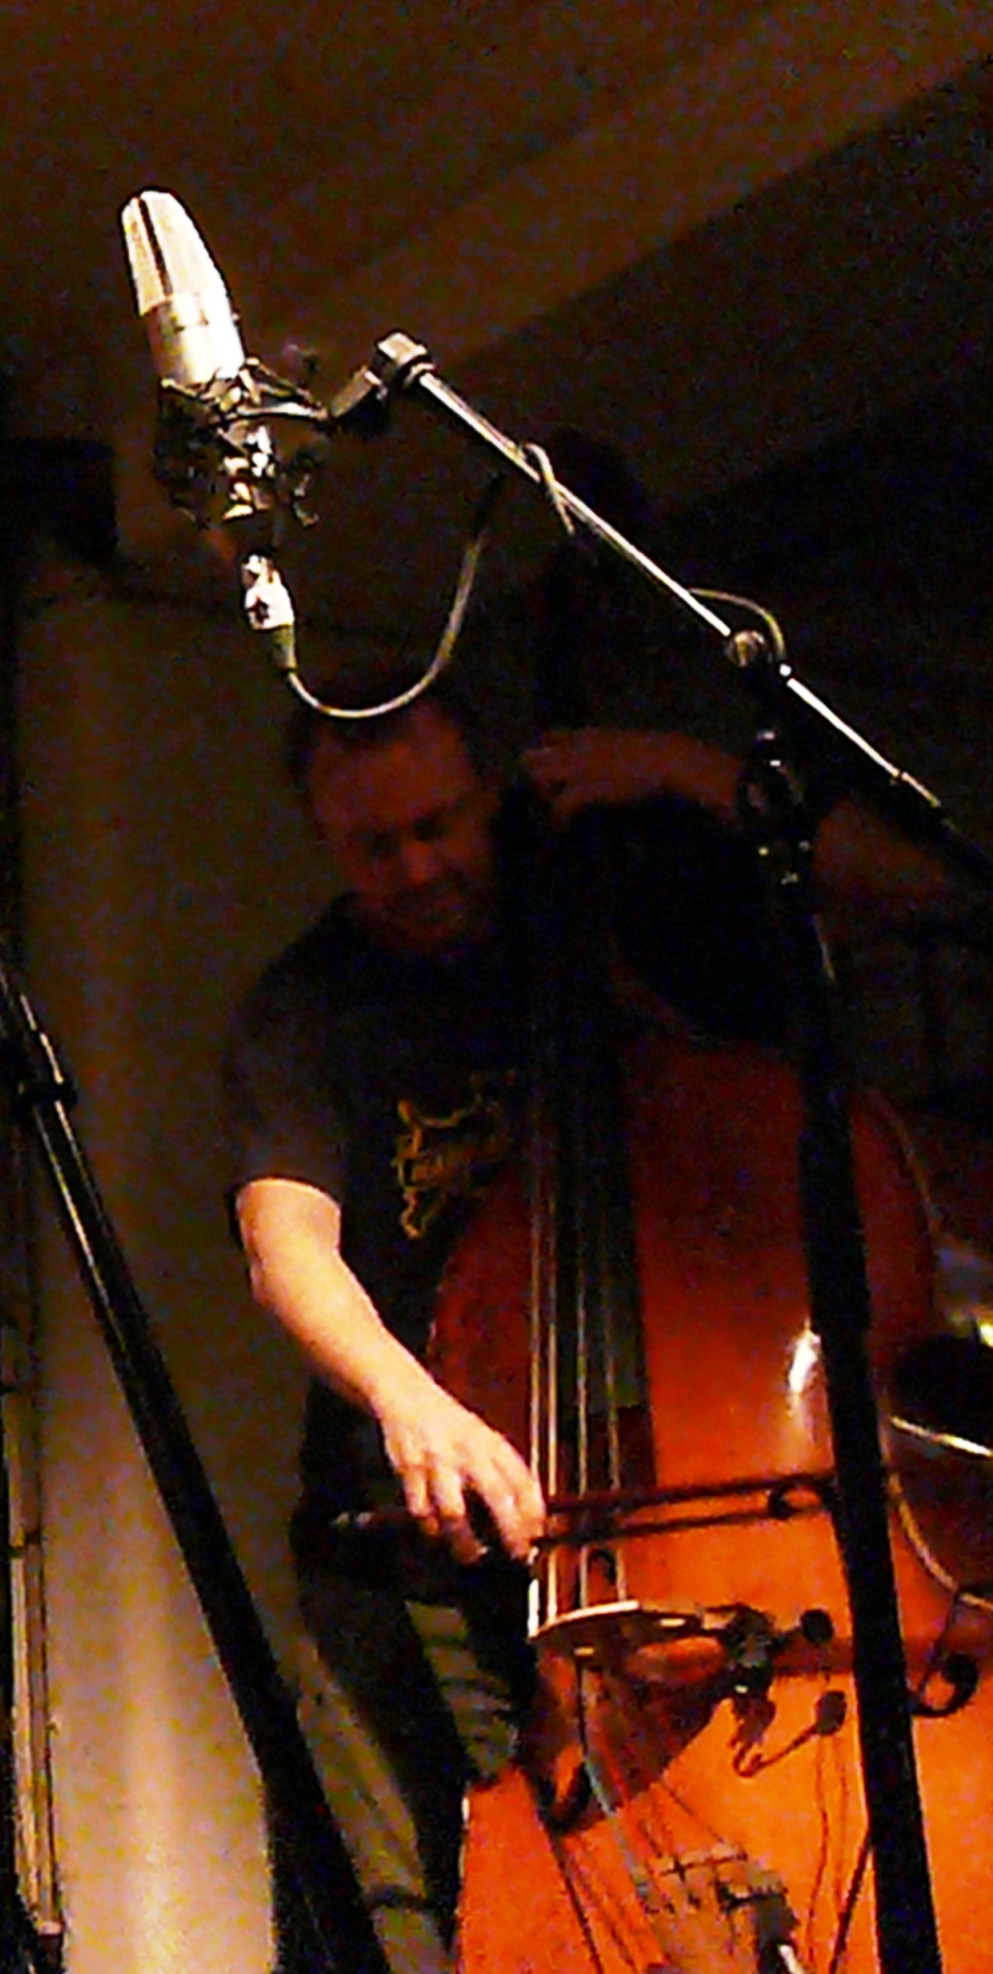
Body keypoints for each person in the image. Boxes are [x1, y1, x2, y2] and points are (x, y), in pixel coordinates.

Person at [222, 682, 950, 1974]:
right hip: (405, 1545)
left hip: (666, 1526)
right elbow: (287, 1246)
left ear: (490, 788)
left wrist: (682, 764)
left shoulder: (622, 928)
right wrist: (412, 1400)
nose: (419, 866)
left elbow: (914, 885)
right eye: (375, 846)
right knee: (389, 1920)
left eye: (441, 824)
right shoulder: (306, 1008)